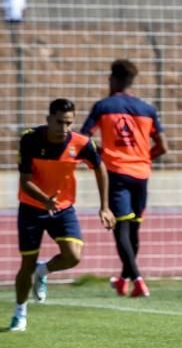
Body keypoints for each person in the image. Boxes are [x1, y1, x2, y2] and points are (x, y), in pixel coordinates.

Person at [9, 98, 116, 332]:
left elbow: (100, 168)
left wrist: (105, 206)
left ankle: (43, 271)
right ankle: (20, 312)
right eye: (59, 122)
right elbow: (25, 182)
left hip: (63, 208)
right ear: (48, 119)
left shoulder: (82, 143)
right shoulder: (30, 139)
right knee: (25, 264)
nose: (64, 128)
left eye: (69, 123)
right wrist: (45, 200)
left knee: (73, 256)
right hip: (32, 207)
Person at [81, 59, 169, 298]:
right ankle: (123, 280)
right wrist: (143, 158)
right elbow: (163, 146)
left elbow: (82, 138)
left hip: (117, 173)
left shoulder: (103, 106)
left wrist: (101, 152)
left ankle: (138, 280)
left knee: (122, 228)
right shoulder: (147, 109)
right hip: (141, 174)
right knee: (134, 231)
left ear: (113, 79)